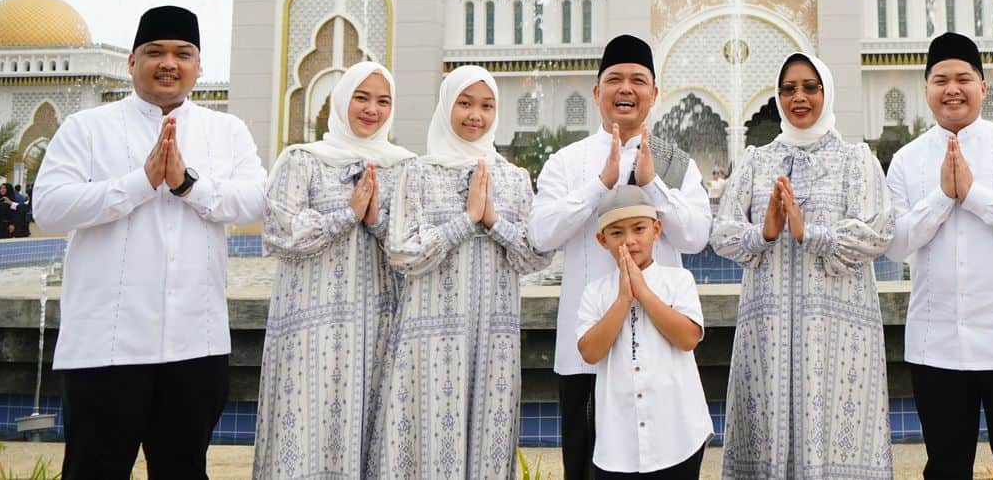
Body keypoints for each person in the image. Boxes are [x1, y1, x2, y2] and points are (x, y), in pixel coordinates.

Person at [32, 5, 268, 480]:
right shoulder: (87, 128)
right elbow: (50, 207)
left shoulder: (227, 131)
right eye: (154, 52)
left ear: (198, 66)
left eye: (183, 53)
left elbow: (258, 203)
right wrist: (138, 184)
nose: (169, 63)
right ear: (131, 61)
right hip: (106, 345)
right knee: (94, 470)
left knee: (182, 470)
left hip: (195, 344)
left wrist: (188, 186)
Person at [529, 35, 712, 480]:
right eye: (614, 79)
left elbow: (695, 237)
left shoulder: (676, 165)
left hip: (662, 355)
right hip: (587, 354)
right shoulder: (566, 163)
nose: (625, 88)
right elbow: (540, 236)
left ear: (653, 93)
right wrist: (599, 184)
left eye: (637, 79)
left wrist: (653, 186)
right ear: (597, 92)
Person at [884, 32, 993, 480]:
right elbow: (895, 244)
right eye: (941, 79)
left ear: (983, 87)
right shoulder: (906, 160)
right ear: (926, 89)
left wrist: (975, 195)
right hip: (936, 346)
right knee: (945, 469)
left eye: (964, 78)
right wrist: (943, 198)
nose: (952, 88)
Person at [711, 52, 895, 480]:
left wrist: (809, 232)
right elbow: (722, 234)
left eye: (810, 87)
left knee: (834, 432)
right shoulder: (756, 162)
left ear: (826, 92)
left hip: (839, 336)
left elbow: (877, 232)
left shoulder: (856, 160)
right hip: (768, 334)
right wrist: (766, 232)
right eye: (789, 88)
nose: (799, 97)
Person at [370, 65, 550, 478]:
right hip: (430, 338)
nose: (476, 115)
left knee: (487, 438)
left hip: (493, 340)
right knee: (427, 439)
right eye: (464, 104)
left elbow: (536, 257)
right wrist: (465, 222)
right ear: (446, 106)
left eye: (486, 106)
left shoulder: (514, 178)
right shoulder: (418, 172)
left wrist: (493, 223)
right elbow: (402, 253)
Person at [253, 61, 415, 479]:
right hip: (312, 330)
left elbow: (411, 242)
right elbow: (280, 233)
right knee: (307, 427)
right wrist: (347, 215)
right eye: (361, 97)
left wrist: (375, 219)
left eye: (383, 101)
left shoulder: (405, 166)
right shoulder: (301, 161)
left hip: (382, 328)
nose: (372, 110)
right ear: (339, 101)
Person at [576, 184, 713, 480]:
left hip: (677, 435)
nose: (630, 241)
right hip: (618, 444)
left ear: (656, 230)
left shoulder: (678, 281)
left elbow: (688, 338)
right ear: (602, 240)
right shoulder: (595, 293)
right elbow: (590, 352)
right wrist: (624, 299)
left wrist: (644, 294)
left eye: (639, 229)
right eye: (617, 233)